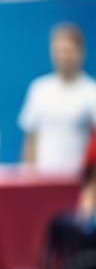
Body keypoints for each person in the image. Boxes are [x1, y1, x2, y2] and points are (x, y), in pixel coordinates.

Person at [19, 23, 96, 174]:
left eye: (68, 51)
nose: (63, 56)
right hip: (44, 181)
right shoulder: (39, 89)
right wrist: (29, 174)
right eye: (59, 51)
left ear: (81, 52)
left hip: (78, 181)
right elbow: (30, 139)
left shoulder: (91, 91)